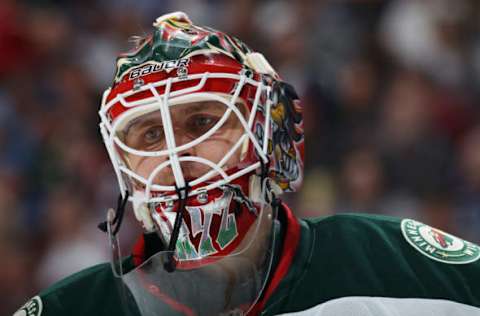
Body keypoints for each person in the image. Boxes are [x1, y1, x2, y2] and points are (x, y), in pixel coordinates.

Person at [14, 12, 480, 316]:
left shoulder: (392, 268)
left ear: (268, 132)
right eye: (151, 135)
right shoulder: (69, 308)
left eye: (201, 121)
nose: (178, 156)